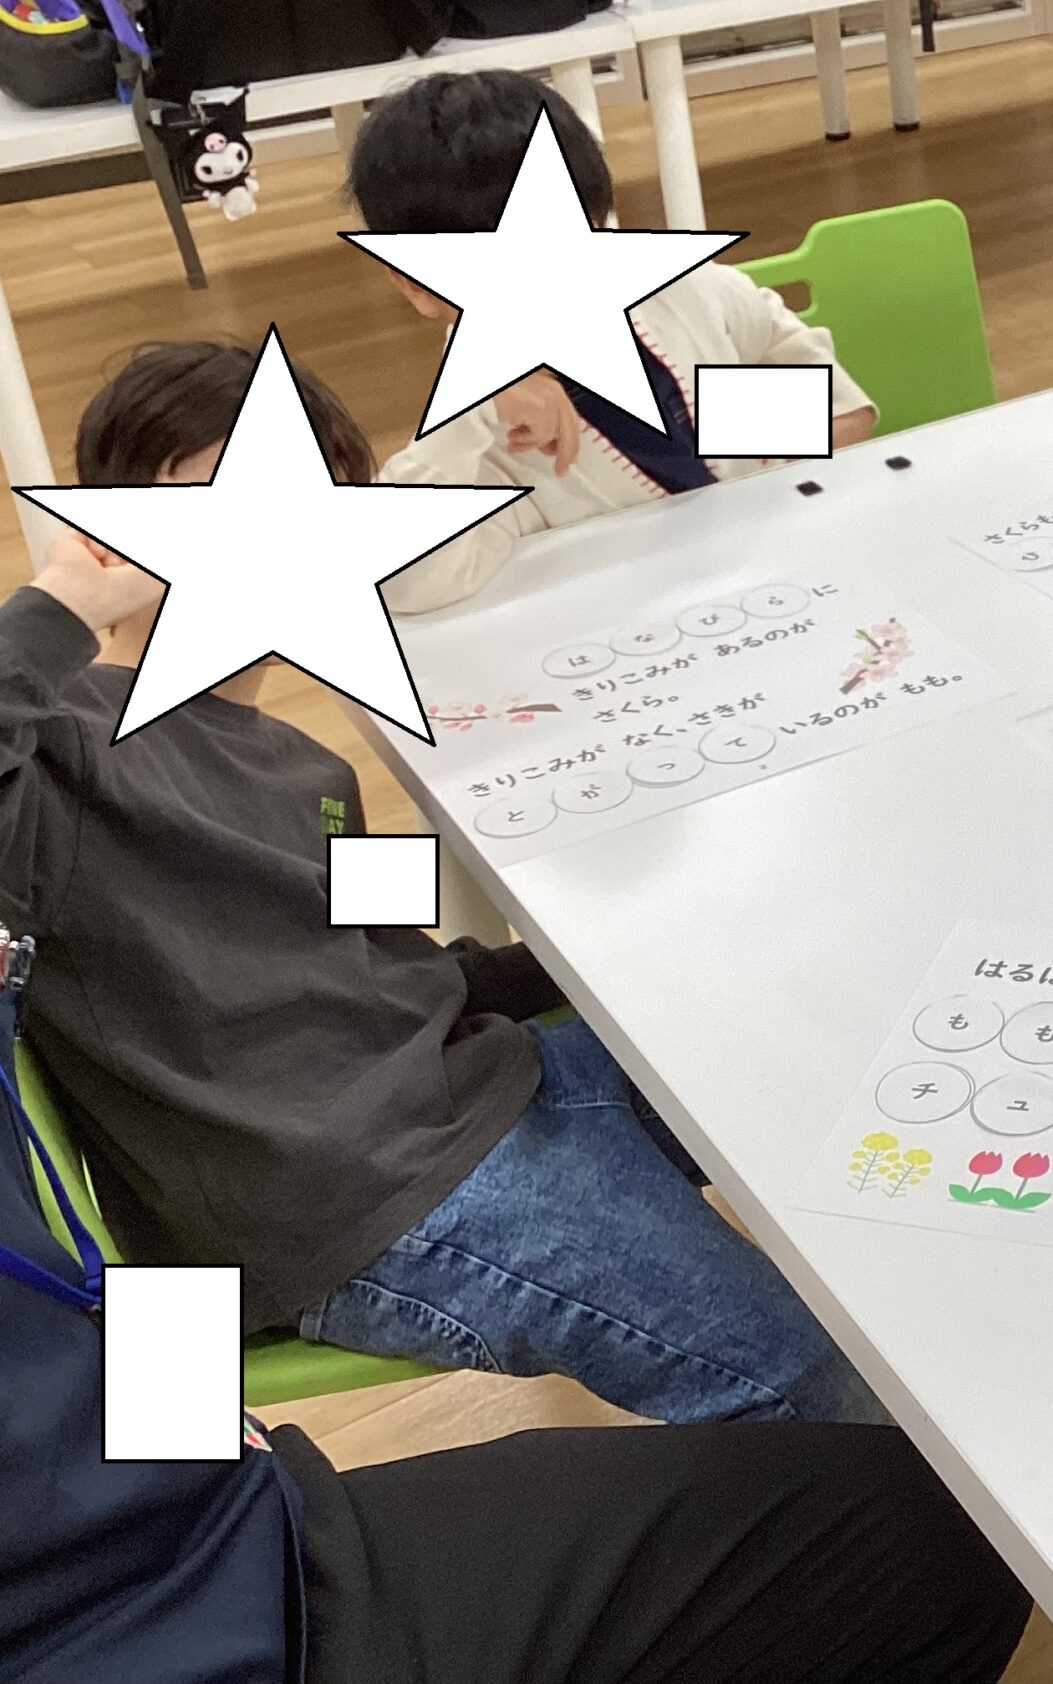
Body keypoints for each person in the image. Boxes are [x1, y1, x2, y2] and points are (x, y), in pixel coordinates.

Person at [0, 341, 885, 1426]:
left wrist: (600, 956)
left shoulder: (306, 767)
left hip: (477, 1088)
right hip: (361, 1199)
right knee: (819, 1388)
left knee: (830, 1041)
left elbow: (398, 974)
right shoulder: (65, 744)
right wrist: (59, 602)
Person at [1, 1026, 1033, 1684]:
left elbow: (351, 941)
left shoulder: (295, 769)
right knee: (868, 1441)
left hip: (446, 1089)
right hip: (357, 1195)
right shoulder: (69, 789)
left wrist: (516, 972)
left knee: (802, 1057)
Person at [352, 70, 880, 613]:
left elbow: (843, 413)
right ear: (416, 285)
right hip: (642, 634)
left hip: (788, 588)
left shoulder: (690, 294)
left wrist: (719, 459)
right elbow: (402, 583)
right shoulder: (481, 442)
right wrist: (476, 408)